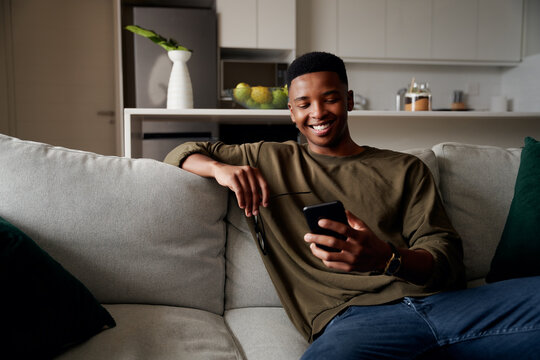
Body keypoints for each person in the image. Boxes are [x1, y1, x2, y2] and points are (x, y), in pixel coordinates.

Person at [164, 52, 540, 359]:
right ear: (291, 113)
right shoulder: (269, 158)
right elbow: (180, 152)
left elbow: (446, 260)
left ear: (348, 100)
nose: (318, 113)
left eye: (329, 98)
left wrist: (387, 259)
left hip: (449, 307)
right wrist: (221, 170)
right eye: (303, 104)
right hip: (354, 321)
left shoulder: (404, 168)